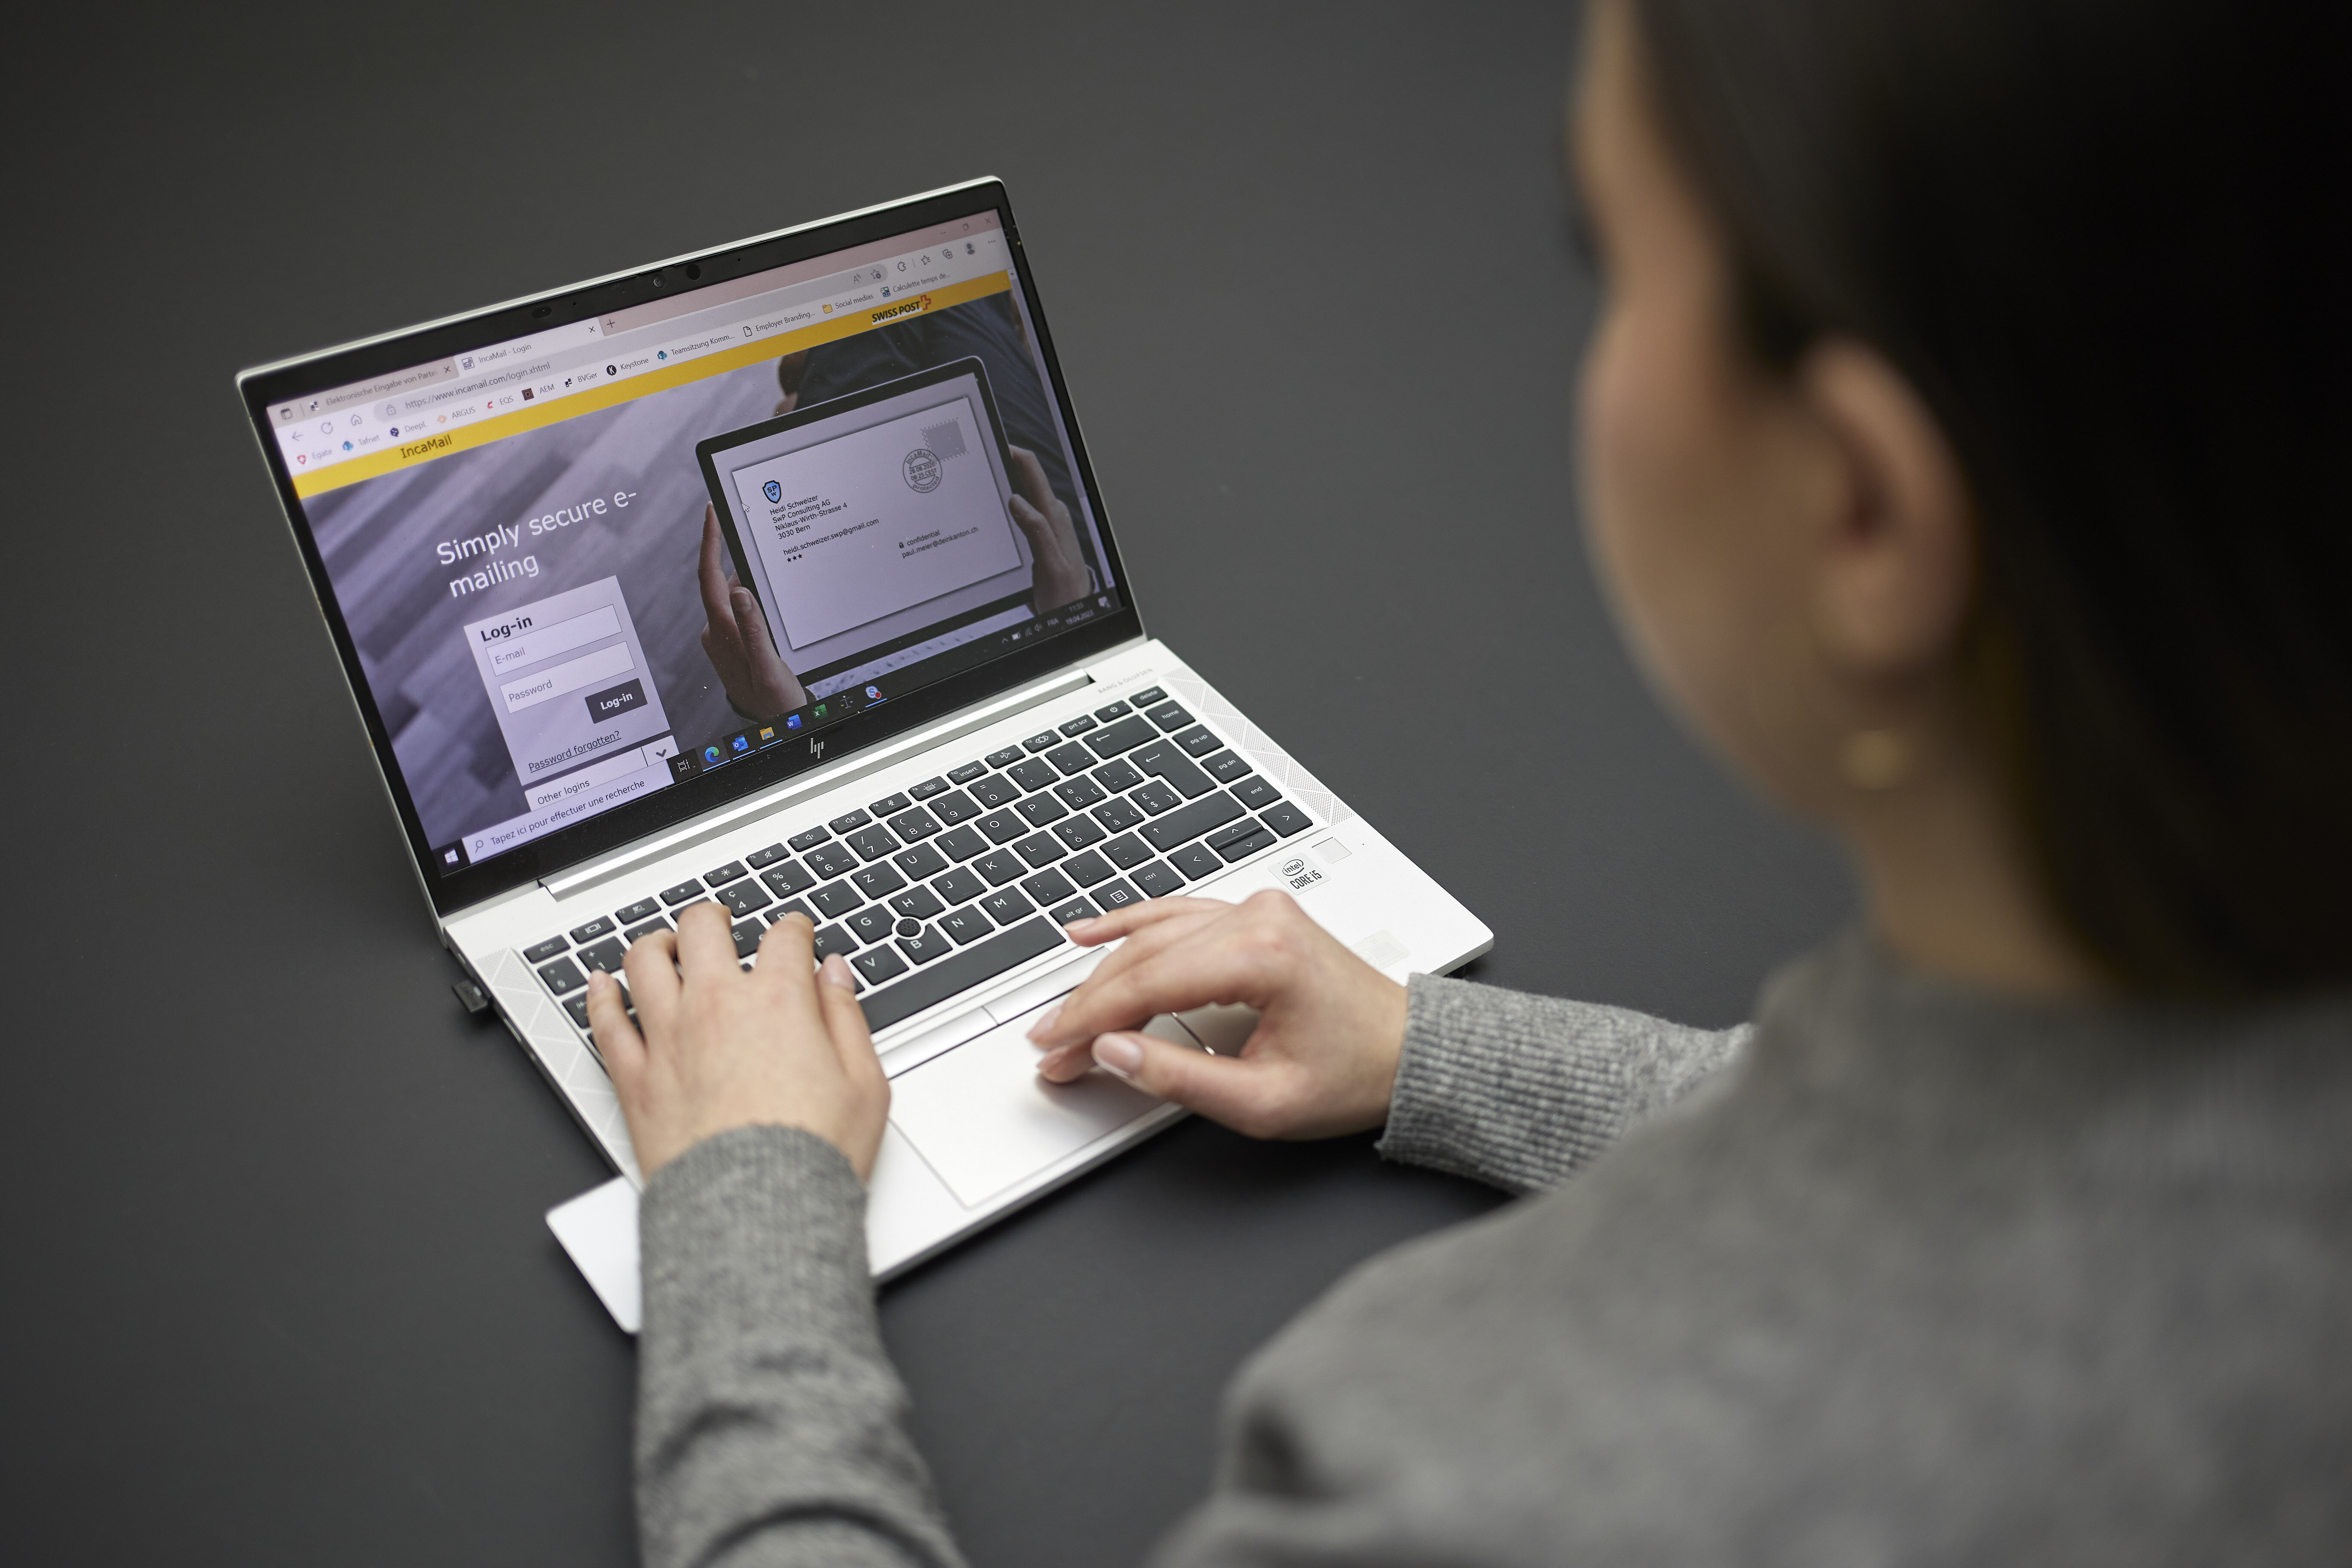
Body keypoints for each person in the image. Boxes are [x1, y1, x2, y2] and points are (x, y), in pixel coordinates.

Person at [585, 0, 2352, 1560]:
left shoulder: (1454, 1474)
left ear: (1866, 512)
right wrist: (1437, 1050)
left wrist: (747, 1206)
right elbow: (1997, 1177)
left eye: (1609, 255)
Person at [698, 300, 1100, 724]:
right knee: (954, 304)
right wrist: (1075, 612)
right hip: (1045, 628)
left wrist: (790, 721)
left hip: (858, 689)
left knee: (870, 320)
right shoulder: (1065, 603)